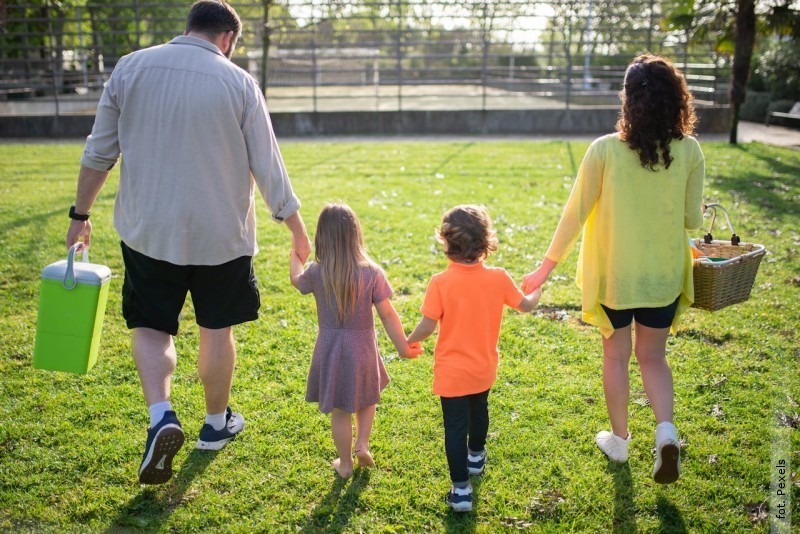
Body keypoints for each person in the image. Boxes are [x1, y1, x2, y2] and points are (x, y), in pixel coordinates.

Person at [65, 0, 311, 485]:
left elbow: (99, 151)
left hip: (147, 231)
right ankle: (216, 425)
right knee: (216, 330)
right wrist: (298, 232)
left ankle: (161, 415)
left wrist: (80, 215)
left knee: (152, 327)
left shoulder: (129, 68)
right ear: (227, 39)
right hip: (221, 235)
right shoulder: (239, 82)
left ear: (189, 28)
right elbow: (270, 168)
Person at [522, 54, 705, 484]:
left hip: (615, 280)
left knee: (616, 357)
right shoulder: (691, 150)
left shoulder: (603, 150)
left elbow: (573, 215)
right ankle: (666, 433)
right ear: (676, 100)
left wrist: (544, 270)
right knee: (654, 358)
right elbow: (692, 220)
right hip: (662, 278)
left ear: (628, 99)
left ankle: (620, 441)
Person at [406, 205, 541, 512]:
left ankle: (461, 489)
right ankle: (476, 457)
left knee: (455, 426)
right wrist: (537, 290)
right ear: (485, 242)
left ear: (446, 242)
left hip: (452, 372)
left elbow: (427, 325)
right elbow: (526, 305)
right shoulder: (498, 278)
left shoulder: (440, 282)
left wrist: (407, 340)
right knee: (479, 410)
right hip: (483, 368)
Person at [289, 204, 422, 479]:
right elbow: (387, 314)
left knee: (340, 410)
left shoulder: (316, 271)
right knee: (366, 398)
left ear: (321, 237)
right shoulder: (371, 272)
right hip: (362, 349)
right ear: (355, 235)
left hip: (330, 349)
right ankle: (362, 444)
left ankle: (346, 463)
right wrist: (403, 348)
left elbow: (295, 280)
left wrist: (295, 256)